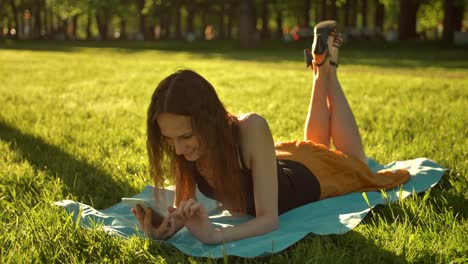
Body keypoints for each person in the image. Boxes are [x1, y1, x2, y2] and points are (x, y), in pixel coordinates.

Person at [132, 21, 411, 244]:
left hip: (314, 178)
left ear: (208, 121)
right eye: (169, 140)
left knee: (356, 162)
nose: (178, 149)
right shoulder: (184, 147)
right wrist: (167, 227)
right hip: (286, 163)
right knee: (315, 143)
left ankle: (327, 71)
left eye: (186, 137)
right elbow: (183, 208)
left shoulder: (251, 128)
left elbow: (269, 220)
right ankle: (320, 66)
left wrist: (216, 235)